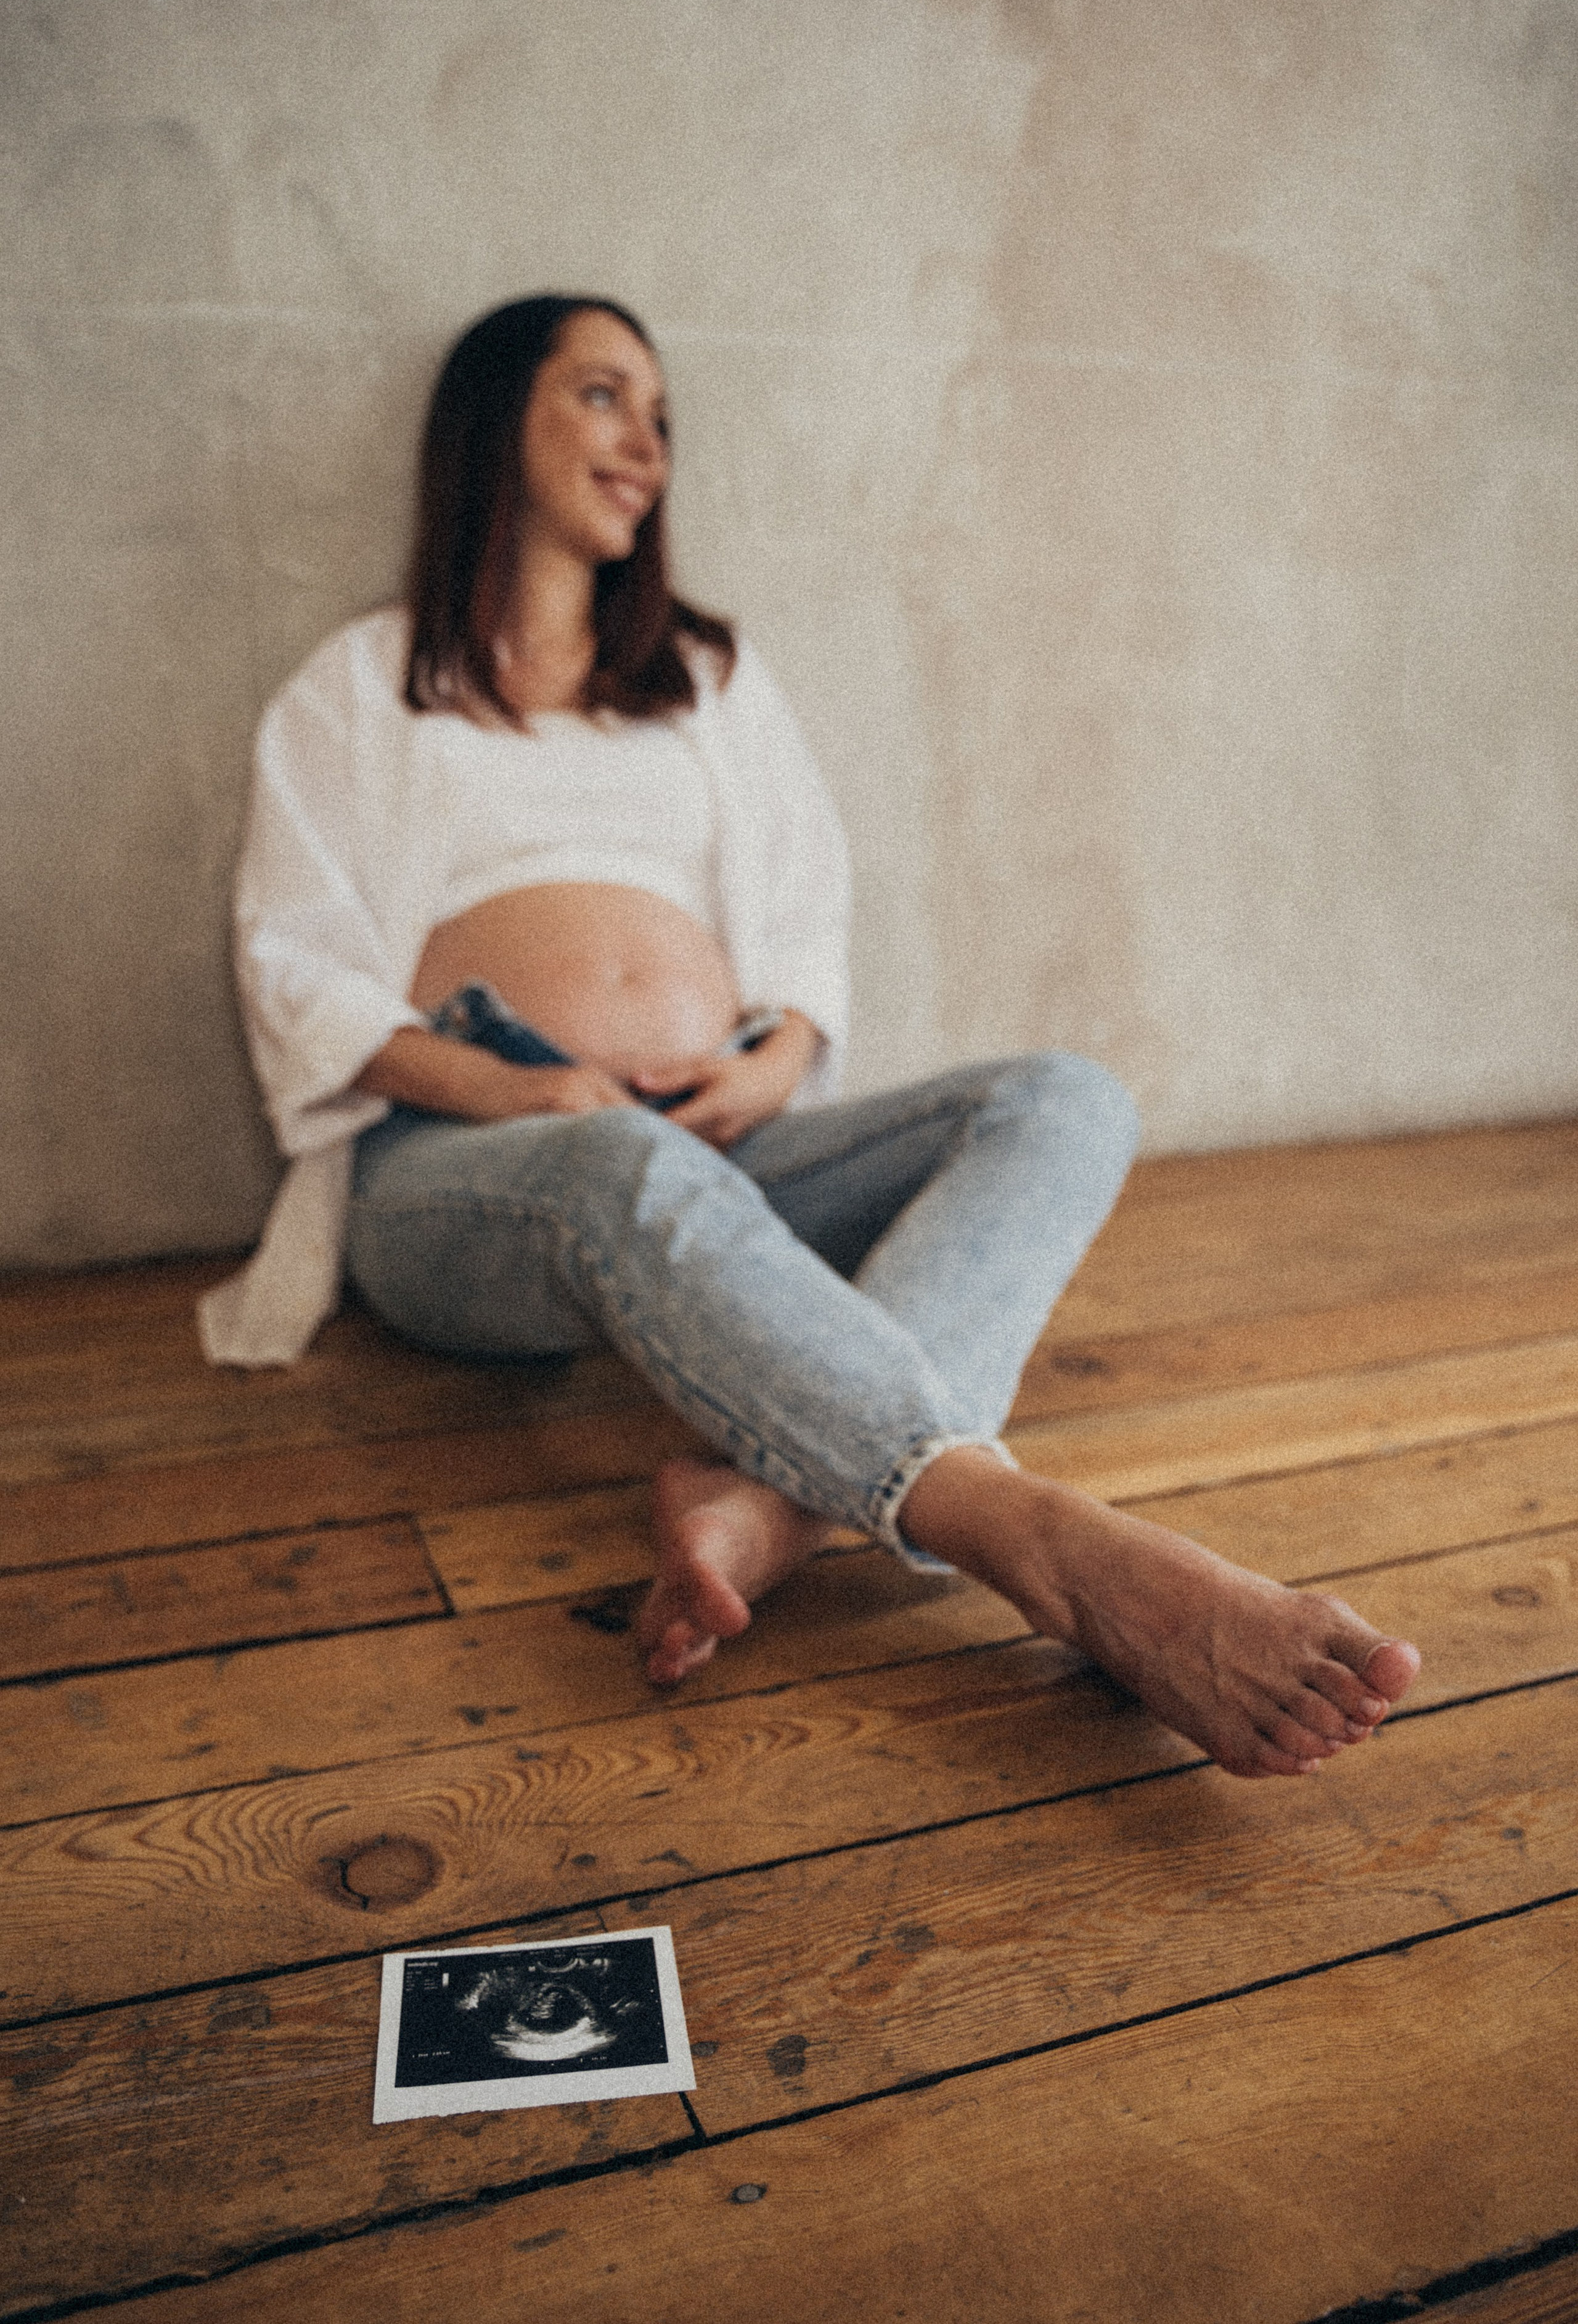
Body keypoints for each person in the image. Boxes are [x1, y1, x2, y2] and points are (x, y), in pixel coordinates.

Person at [202, 293, 1420, 1778]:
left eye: (659, 412)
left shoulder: (702, 677)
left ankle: (770, 1507)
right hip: (463, 1165)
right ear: (491, 422)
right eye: (600, 396)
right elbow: (297, 963)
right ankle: (1047, 1548)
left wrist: (771, 1061)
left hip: (720, 1135)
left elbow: (800, 933)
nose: (644, 439)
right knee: (609, 1165)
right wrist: (522, 1088)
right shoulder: (361, 685)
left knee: (1061, 1099)